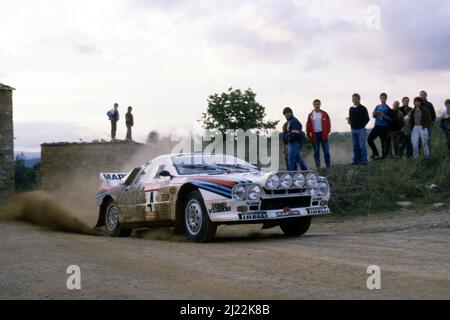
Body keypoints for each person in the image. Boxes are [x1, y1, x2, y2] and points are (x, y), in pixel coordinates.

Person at [306, 100, 331, 169]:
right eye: (315, 104)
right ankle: (318, 167)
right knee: (316, 152)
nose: (316, 106)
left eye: (318, 104)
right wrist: (308, 134)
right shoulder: (310, 115)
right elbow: (308, 125)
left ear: (320, 105)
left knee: (326, 152)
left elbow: (328, 123)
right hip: (315, 136)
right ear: (313, 105)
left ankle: (328, 167)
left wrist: (327, 132)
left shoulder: (324, 114)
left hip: (323, 135)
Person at [368, 93, 392, 159]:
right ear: (380, 99)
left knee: (383, 143)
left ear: (386, 99)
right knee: (369, 139)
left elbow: (390, 119)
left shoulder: (388, 108)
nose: (382, 99)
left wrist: (383, 116)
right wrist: (374, 114)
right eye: (381, 98)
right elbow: (373, 115)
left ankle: (383, 157)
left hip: (384, 127)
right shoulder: (377, 106)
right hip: (377, 126)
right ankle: (375, 153)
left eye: (384, 98)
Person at [348, 93, 370, 165]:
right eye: (353, 99)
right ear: (352, 100)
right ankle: (356, 160)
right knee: (355, 146)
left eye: (356, 99)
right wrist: (349, 121)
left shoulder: (363, 108)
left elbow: (367, 119)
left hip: (361, 130)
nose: (354, 100)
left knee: (362, 146)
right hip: (353, 129)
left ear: (359, 99)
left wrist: (361, 125)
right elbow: (351, 119)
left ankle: (364, 160)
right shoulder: (351, 109)